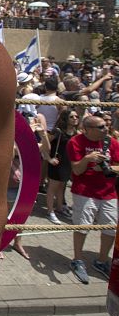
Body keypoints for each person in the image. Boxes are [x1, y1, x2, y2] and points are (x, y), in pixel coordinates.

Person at [67, 114, 119, 284]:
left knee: (111, 228)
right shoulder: (75, 142)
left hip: (108, 192)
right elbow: (76, 170)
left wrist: (107, 167)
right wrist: (88, 160)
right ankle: (77, 259)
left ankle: (102, 260)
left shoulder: (111, 142)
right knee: (82, 227)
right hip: (84, 191)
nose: (106, 129)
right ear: (88, 129)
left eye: (106, 125)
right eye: (101, 127)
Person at [45, 107, 78, 224]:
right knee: (52, 188)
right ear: (65, 118)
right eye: (72, 117)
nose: (75, 119)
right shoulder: (57, 131)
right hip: (56, 163)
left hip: (67, 164)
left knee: (62, 187)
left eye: (76, 116)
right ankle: (50, 211)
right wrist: (49, 159)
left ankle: (59, 208)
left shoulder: (75, 132)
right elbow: (45, 145)